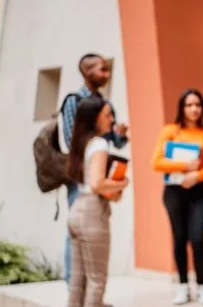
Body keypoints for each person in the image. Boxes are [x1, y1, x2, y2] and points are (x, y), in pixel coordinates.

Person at [62, 53, 129, 284]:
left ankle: (87, 292)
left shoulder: (105, 103)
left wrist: (119, 135)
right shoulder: (74, 101)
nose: (107, 75)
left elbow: (115, 142)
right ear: (87, 71)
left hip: (98, 178)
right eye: (102, 69)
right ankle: (74, 286)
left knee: (93, 239)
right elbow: (74, 143)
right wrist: (94, 175)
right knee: (77, 236)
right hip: (81, 181)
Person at [152, 89, 203, 305]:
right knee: (179, 238)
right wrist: (184, 166)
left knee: (198, 239)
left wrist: (196, 175)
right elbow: (157, 162)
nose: (194, 109)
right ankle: (182, 285)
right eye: (189, 105)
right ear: (182, 108)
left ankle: (201, 285)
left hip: (198, 192)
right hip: (174, 191)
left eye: (198, 105)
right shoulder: (170, 131)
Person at [66, 96, 129, 307]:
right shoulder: (100, 144)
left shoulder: (83, 143)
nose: (112, 119)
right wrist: (122, 183)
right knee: (96, 281)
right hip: (92, 213)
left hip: (76, 210)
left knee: (78, 281)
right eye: (108, 114)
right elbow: (97, 184)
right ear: (95, 118)